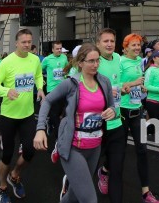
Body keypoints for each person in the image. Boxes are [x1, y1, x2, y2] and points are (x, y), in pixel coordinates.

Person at [35, 43, 117, 203]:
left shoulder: (104, 82)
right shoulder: (71, 84)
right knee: (89, 199)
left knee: (73, 195)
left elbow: (113, 107)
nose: (96, 65)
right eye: (91, 61)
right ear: (80, 63)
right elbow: (47, 101)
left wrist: (112, 112)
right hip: (73, 147)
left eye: (97, 60)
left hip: (95, 146)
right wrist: (40, 129)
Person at [0, 29, 45, 203]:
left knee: (30, 151)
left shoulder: (35, 59)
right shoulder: (6, 62)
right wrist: (7, 91)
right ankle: (2, 187)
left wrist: (41, 88)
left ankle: (15, 175)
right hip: (9, 115)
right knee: (7, 154)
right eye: (24, 42)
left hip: (28, 114)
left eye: (29, 42)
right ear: (16, 43)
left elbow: (37, 76)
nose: (27, 45)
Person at [119, 33, 159, 203]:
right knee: (119, 151)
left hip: (137, 110)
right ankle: (106, 171)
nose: (137, 48)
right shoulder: (120, 62)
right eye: (133, 45)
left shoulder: (139, 62)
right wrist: (133, 84)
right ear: (125, 48)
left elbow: (138, 82)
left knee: (142, 150)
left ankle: (146, 192)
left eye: (138, 45)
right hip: (122, 111)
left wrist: (142, 87)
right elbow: (117, 87)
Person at [93, 28, 124, 201]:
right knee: (88, 169)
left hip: (117, 122)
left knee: (117, 170)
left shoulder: (118, 58)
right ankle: (71, 185)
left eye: (112, 41)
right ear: (98, 44)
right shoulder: (94, 62)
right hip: (98, 124)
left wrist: (124, 88)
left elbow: (118, 83)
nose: (110, 44)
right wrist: (104, 92)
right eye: (106, 41)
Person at [41, 41, 69, 135]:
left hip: (64, 88)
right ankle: (58, 133)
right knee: (54, 112)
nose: (59, 50)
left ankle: (51, 122)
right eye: (57, 49)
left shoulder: (64, 57)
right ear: (52, 49)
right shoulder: (47, 59)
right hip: (52, 89)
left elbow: (67, 69)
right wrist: (42, 80)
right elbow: (39, 70)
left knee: (63, 111)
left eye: (60, 48)